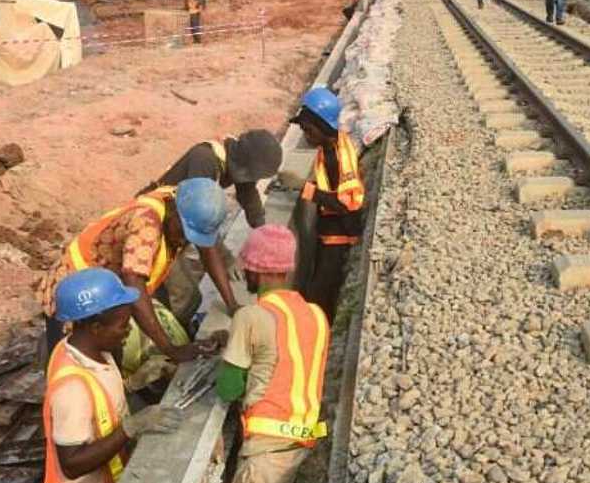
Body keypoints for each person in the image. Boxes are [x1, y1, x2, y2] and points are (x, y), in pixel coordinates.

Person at [216, 224, 332, 483]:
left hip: (266, 455)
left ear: (255, 270)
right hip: (305, 443)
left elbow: (228, 388)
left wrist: (232, 356)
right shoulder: (316, 315)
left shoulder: (250, 316)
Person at [40, 268, 185, 483]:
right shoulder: (71, 388)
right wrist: (131, 427)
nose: (128, 331)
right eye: (122, 324)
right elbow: (72, 463)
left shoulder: (89, 349)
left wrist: (134, 382)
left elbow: (99, 407)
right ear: (95, 327)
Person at [38, 177, 236, 367]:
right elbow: (134, 282)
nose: (185, 241)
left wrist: (232, 305)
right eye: (184, 233)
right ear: (175, 213)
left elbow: (207, 250)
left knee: (108, 359)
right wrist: (170, 349)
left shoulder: (182, 202)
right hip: (77, 291)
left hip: (107, 292)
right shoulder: (146, 224)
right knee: (73, 360)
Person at [138, 130, 283, 324]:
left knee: (180, 284)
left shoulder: (233, 156)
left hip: (178, 224)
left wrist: (263, 232)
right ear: (241, 167)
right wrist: (231, 302)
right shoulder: (204, 161)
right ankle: (168, 341)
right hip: (156, 226)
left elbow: (248, 194)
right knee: (186, 296)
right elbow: (204, 238)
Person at [291, 87, 364, 321]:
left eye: (308, 130)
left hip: (339, 238)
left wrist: (304, 189)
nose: (306, 136)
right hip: (331, 232)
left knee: (318, 299)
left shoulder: (337, 157)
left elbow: (347, 205)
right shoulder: (332, 144)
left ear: (322, 127)